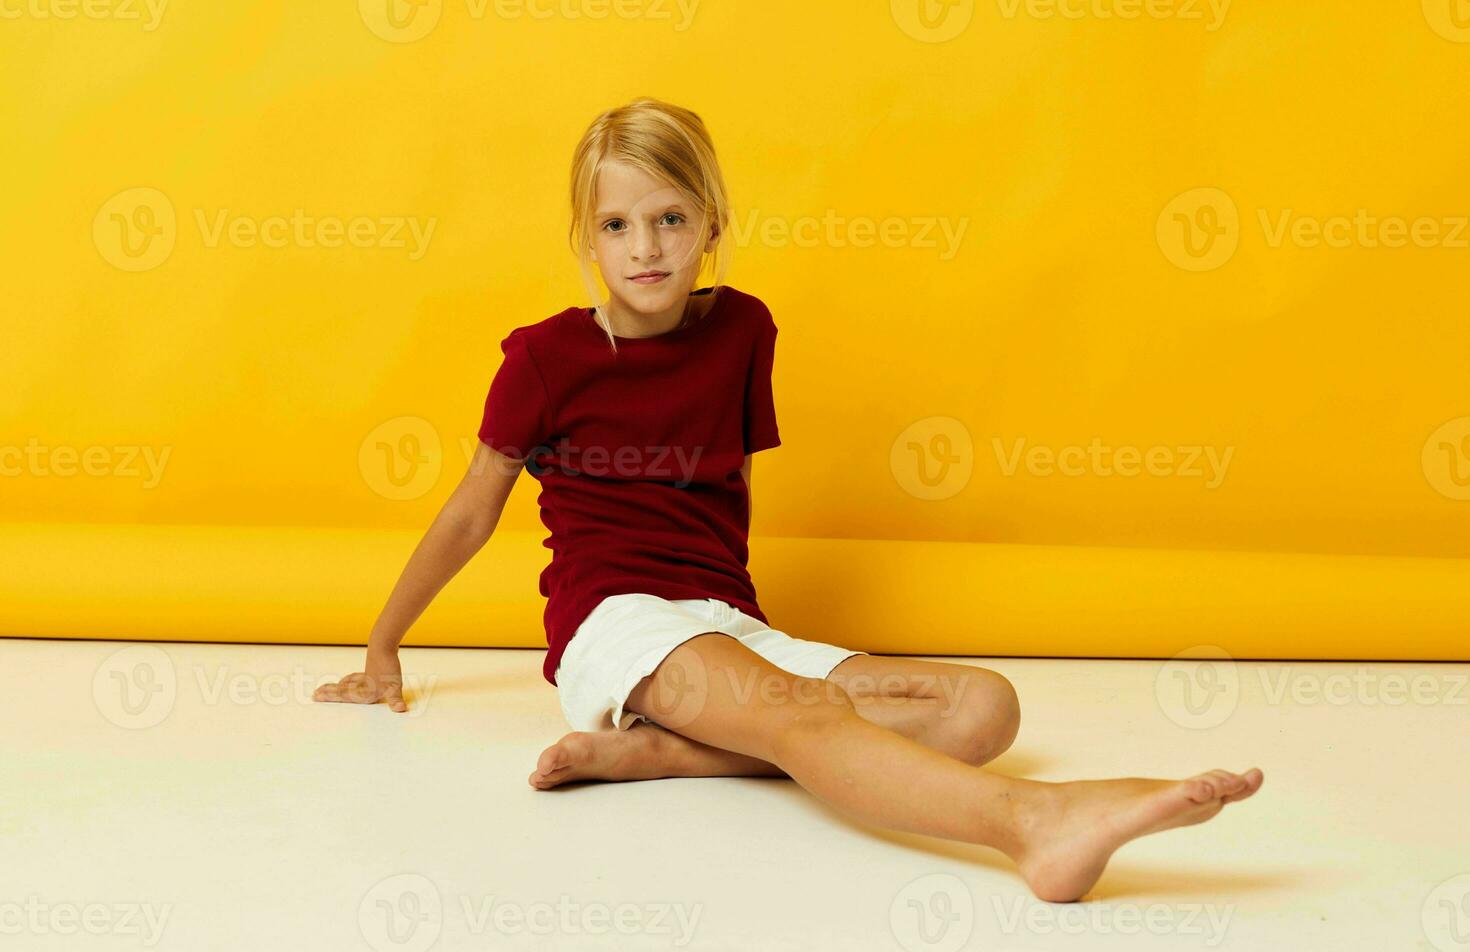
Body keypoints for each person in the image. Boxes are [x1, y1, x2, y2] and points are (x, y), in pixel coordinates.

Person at [314, 97, 1263, 902]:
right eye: (616, 227)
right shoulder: (544, 359)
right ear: (586, 237)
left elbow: (730, 489)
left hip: (725, 619)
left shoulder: (743, 329)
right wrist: (385, 643)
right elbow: (474, 508)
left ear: (712, 221)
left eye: (670, 219)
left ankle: (675, 751)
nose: (645, 248)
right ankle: (1033, 824)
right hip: (617, 619)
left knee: (983, 708)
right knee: (806, 718)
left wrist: (744, 638)